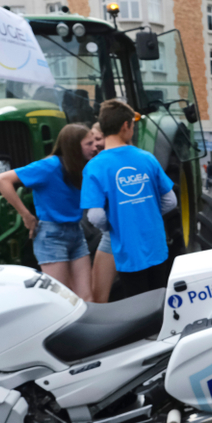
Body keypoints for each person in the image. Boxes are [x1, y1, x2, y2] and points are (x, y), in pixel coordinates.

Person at [81, 100, 177, 299]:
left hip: (126, 249)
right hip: (156, 246)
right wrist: (147, 211)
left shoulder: (94, 166)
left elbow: (96, 216)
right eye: (132, 126)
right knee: (160, 300)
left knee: (138, 305)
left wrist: (117, 222)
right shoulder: (147, 158)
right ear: (126, 125)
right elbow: (171, 201)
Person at [0, 124, 96, 301]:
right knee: (60, 298)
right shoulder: (49, 166)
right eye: (89, 144)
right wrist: (26, 215)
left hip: (76, 233)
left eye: (95, 142)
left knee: (86, 297)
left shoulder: (80, 167)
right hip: (52, 236)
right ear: (73, 146)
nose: (95, 147)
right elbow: (1, 180)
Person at [88, 122, 116, 303]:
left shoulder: (96, 166)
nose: (94, 145)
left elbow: (95, 216)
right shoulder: (142, 159)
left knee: (98, 298)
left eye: (98, 139)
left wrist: (111, 226)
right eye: (91, 141)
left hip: (111, 235)